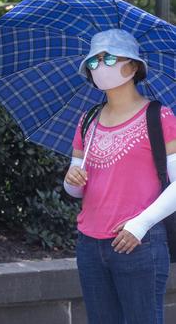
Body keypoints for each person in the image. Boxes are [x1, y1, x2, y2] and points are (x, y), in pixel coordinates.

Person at [64, 28, 176, 323]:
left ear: (134, 66)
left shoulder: (159, 117)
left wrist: (140, 225)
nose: (101, 66)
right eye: (94, 61)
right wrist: (71, 179)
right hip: (89, 244)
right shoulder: (87, 119)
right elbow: (75, 189)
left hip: (139, 244)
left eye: (110, 58)